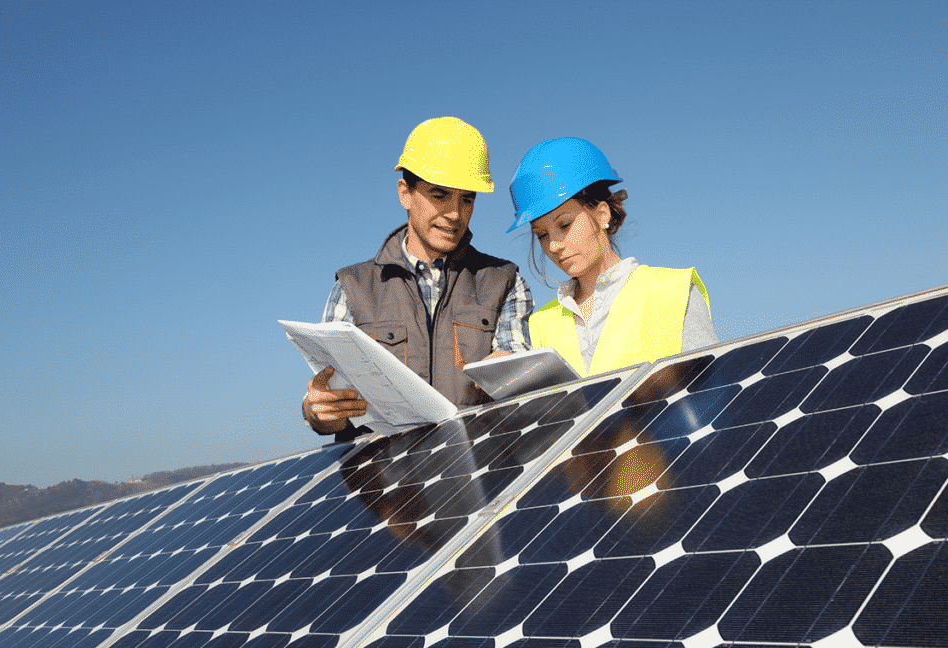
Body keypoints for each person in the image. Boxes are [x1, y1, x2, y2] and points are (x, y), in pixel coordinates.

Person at [303, 117, 534, 439]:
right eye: (440, 195)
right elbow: (332, 400)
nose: (455, 213)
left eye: (467, 198)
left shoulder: (503, 282)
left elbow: (518, 375)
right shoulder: (353, 288)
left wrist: (511, 371)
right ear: (405, 193)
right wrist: (320, 412)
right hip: (379, 478)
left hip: (476, 469)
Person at [507, 137, 718, 377]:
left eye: (564, 225)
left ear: (602, 214)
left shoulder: (671, 291)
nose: (553, 245)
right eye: (542, 235)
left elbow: (711, 391)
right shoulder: (540, 324)